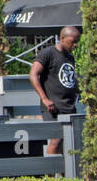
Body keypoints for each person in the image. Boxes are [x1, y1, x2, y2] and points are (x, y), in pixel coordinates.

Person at [30, 26, 80, 154]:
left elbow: (69, 80)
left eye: (77, 41)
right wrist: (45, 99)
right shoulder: (48, 53)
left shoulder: (70, 57)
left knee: (68, 142)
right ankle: (50, 173)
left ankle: (64, 174)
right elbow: (33, 74)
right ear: (62, 38)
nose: (76, 45)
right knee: (56, 139)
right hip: (52, 107)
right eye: (73, 41)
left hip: (68, 106)